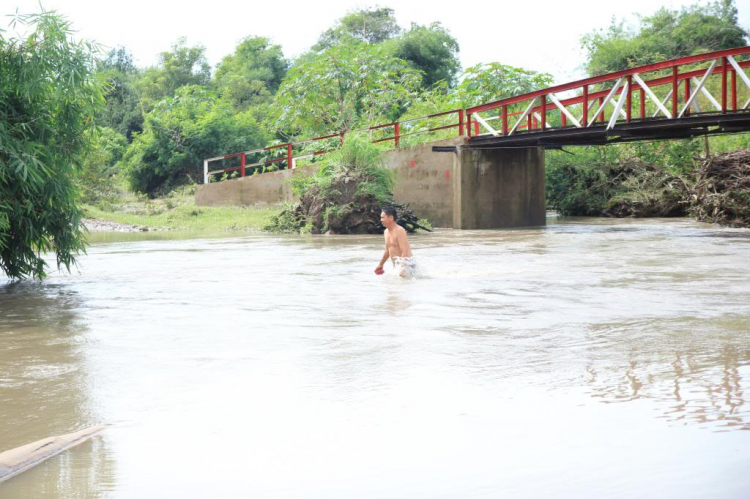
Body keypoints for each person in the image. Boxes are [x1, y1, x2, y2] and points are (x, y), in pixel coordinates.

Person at [375, 207, 416, 278]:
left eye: (383, 217)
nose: (381, 220)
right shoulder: (386, 232)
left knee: (404, 287)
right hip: (396, 265)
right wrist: (381, 264)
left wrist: (403, 267)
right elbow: (387, 250)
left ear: (391, 218)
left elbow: (404, 250)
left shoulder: (400, 230)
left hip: (407, 264)